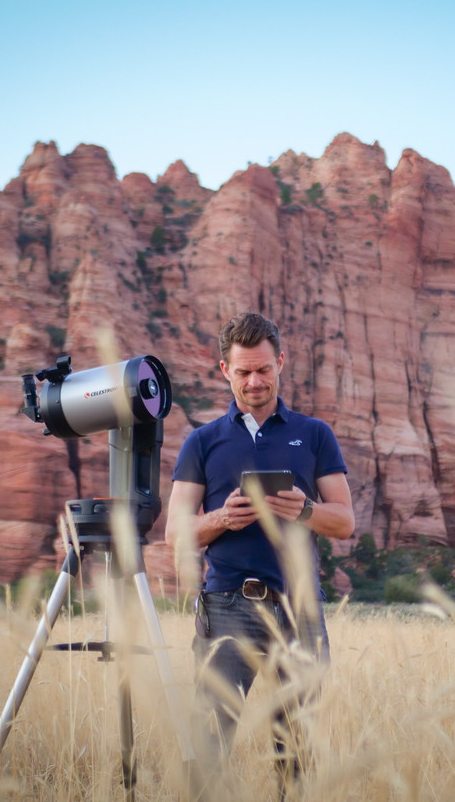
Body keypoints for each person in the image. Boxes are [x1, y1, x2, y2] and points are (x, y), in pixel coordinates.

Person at [165, 311, 355, 788]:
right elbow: (174, 533)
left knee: (297, 751)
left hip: (300, 609)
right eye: (244, 371)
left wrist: (304, 510)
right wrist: (220, 519)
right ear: (224, 369)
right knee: (210, 745)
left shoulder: (315, 435)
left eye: (264, 369)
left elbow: (346, 521)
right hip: (227, 606)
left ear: (281, 364)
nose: (254, 381)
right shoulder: (201, 442)